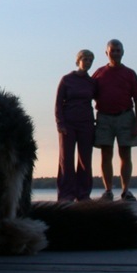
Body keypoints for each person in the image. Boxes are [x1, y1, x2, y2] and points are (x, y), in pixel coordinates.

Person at [92, 39, 137, 201]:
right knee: (106, 155)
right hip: (104, 118)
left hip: (125, 117)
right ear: (106, 53)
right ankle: (108, 190)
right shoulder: (99, 73)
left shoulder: (129, 73)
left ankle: (126, 190)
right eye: (112, 50)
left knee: (125, 154)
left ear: (123, 52)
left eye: (118, 50)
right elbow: (87, 95)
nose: (115, 53)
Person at [54, 49, 98, 201]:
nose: (87, 63)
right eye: (85, 59)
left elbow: (100, 102)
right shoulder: (67, 80)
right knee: (66, 159)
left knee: (85, 160)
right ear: (78, 60)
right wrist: (60, 123)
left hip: (86, 124)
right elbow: (58, 103)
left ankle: (83, 193)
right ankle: (66, 194)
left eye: (90, 60)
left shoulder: (92, 82)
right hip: (68, 124)